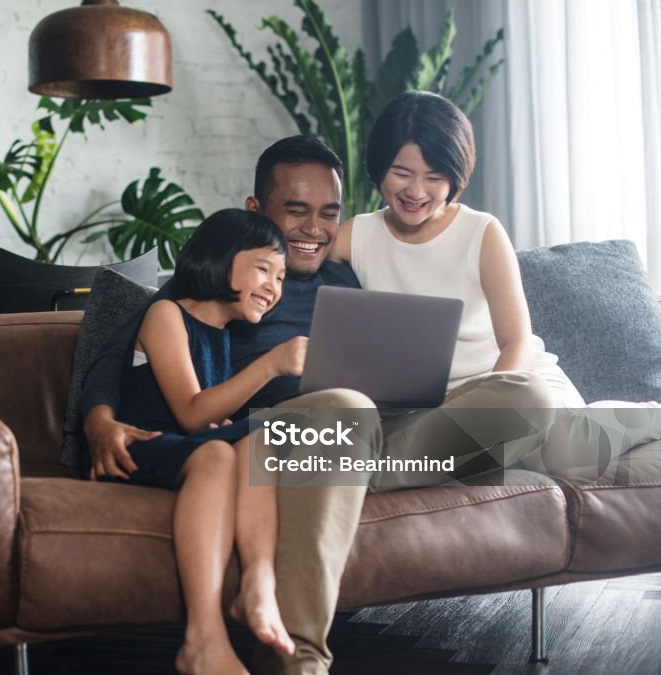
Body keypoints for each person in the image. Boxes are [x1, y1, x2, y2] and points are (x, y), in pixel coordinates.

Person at [82, 134, 549, 675]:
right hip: (282, 434)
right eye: (296, 211)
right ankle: (300, 657)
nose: (313, 230)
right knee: (345, 409)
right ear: (255, 211)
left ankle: (356, 465)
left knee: (528, 399)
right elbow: (121, 346)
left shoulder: (345, 273)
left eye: (329, 213)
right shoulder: (232, 273)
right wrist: (98, 418)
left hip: (364, 433)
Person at [331, 89, 661, 473]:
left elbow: (517, 341)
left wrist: (493, 407)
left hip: (515, 384)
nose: (416, 191)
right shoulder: (357, 235)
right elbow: (289, 267)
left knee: (564, 454)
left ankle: (652, 414)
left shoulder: (481, 231)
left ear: (454, 177)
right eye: (401, 173)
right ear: (378, 166)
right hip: (436, 410)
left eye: (434, 177)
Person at [107, 208, 305, 674]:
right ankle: (203, 638)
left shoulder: (223, 336)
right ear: (221, 258)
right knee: (219, 451)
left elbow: (210, 417)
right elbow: (192, 412)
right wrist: (273, 364)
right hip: (144, 446)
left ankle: (258, 584)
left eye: (281, 277)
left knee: (265, 434)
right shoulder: (165, 314)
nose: (274, 286)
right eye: (263, 268)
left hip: (184, 448)